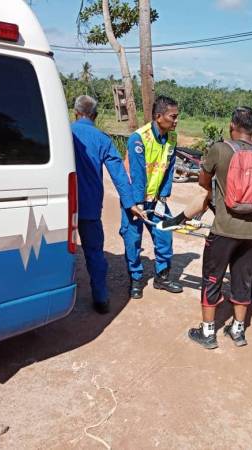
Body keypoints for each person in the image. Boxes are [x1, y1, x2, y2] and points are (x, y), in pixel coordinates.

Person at [187, 107, 252, 349]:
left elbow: (204, 181)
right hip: (251, 233)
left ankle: (207, 332)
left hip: (223, 229)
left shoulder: (220, 150)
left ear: (232, 125)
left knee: (212, 279)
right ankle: (237, 331)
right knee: (242, 281)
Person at [71, 95, 146, 314]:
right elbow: (119, 175)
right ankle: (101, 297)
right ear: (95, 115)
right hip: (89, 207)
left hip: (60, 206)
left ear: (76, 113)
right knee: (94, 252)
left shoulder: (62, 133)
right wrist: (130, 203)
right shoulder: (102, 139)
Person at [121, 95, 183, 299]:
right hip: (134, 200)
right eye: (172, 116)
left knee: (165, 234)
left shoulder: (172, 138)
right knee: (133, 239)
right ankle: (136, 279)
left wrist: (163, 198)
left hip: (156, 199)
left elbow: (169, 167)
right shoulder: (139, 138)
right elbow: (137, 173)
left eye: (177, 117)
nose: (176, 121)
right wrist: (138, 204)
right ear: (158, 116)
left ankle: (162, 277)